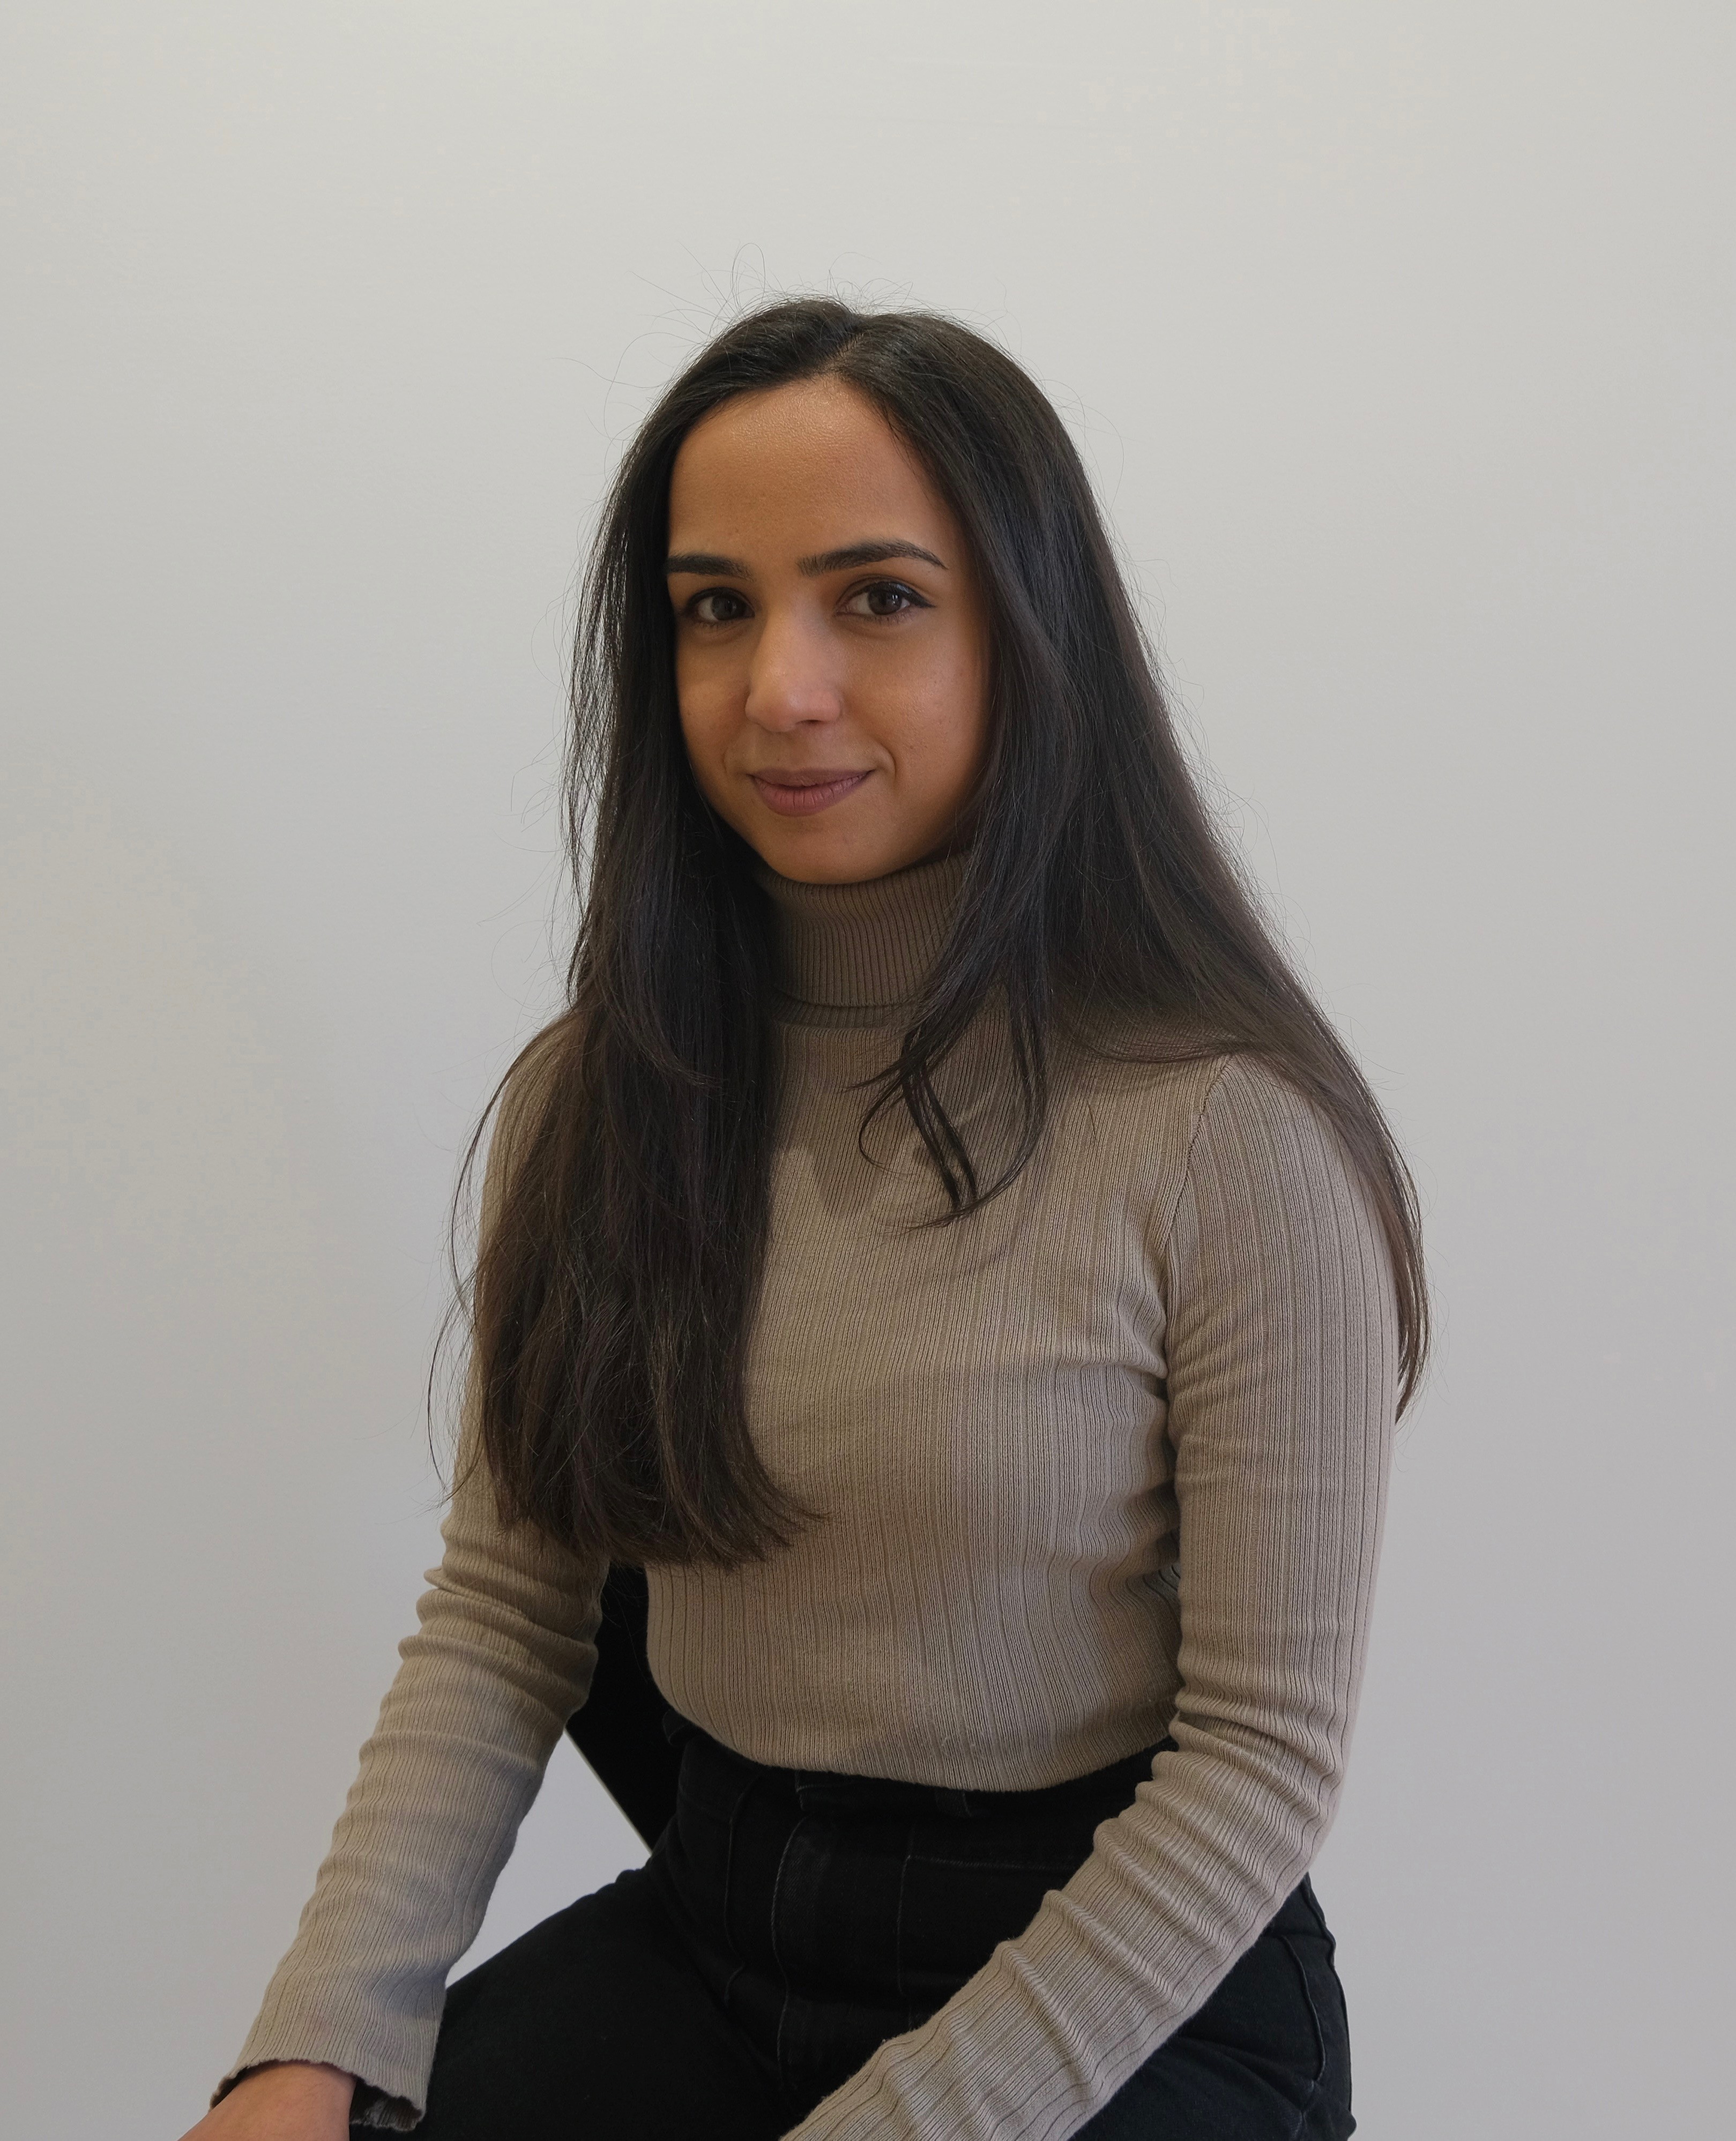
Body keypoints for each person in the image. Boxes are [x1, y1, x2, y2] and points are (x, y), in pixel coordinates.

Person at [183, 297, 1423, 2141]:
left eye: (878, 597)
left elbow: (1257, 1765)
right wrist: (319, 2039)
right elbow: (509, 1613)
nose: (780, 689)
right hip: (720, 1933)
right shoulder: (598, 1098)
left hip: (1127, 1989)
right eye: (714, 606)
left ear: (1029, 630)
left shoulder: (1230, 1138)